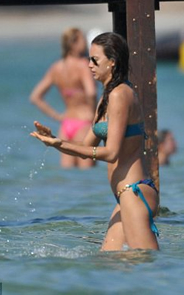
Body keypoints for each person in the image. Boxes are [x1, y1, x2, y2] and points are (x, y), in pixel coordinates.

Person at [31, 32, 160, 251]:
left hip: (134, 193)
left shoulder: (121, 94)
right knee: (108, 262)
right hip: (124, 197)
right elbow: (84, 147)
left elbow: (111, 153)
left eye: (94, 60)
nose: (89, 64)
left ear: (112, 62)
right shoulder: (107, 97)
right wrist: (55, 140)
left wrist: (60, 145)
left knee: (146, 264)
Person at [30, 28, 96, 169]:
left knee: (67, 174)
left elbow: (35, 97)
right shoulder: (83, 65)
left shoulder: (56, 68)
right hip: (84, 122)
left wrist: (56, 116)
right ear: (73, 44)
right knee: (87, 172)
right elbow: (91, 93)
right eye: (82, 39)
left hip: (66, 124)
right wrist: (95, 114)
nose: (85, 43)